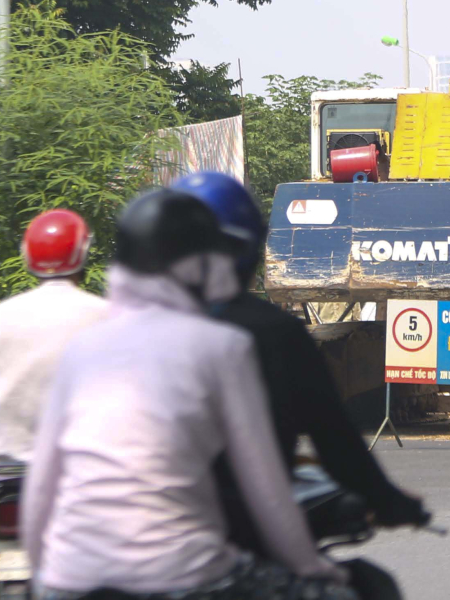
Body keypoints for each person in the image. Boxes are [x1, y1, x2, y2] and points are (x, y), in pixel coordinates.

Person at [23, 189, 356, 600]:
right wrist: (310, 567)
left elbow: (41, 485)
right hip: (185, 575)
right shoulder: (223, 347)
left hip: (69, 578)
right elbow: (265, 489)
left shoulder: (82, 348)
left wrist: (46, 577)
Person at [169, 171, 426, 541]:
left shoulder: (115, 333)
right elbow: (336, 441)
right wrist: (388, 501)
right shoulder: (272, 333)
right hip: (232, 541)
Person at [0, 209, 110, 460]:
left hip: (8, 467)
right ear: (83, 252)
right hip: (82, 466)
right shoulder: (105, 314)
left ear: (28, 253)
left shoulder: (0, 315)